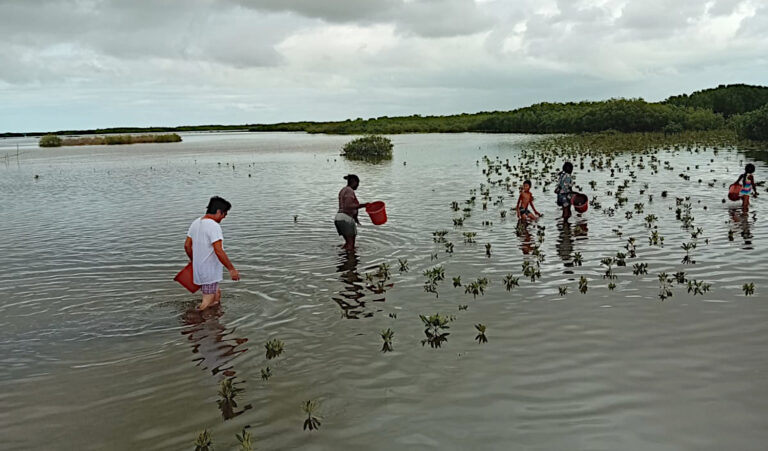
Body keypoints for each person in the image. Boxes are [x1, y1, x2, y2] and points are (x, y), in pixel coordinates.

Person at [185, 196, 240, 310]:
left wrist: (194, 261)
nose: (224, 217)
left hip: (200, 269)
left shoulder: (196, 223)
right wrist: (231, 269)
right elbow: (218, 250)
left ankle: (213, 321)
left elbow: (187, 246)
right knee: (207, 301)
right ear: (219, 211)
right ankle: (195, 319)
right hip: (208, 272)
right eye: (224, 214)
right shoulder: (214, 226)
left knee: (216, 297)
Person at [335, 174, 368, 251]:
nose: (358, 186)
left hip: (339, 217)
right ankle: (350, 261)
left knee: (348, 243)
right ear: (354, 182)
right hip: (346, 219)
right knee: (351, 245)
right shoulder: (350, 190)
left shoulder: (343, 190)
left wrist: (356, 219)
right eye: (358, 183)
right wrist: (364, 205)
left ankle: (343, 259)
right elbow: (348, 205)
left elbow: (345, 206)